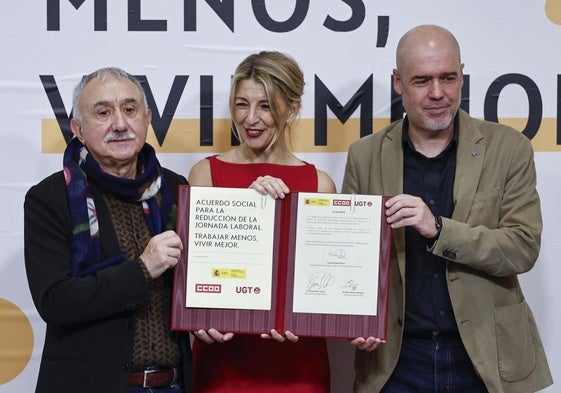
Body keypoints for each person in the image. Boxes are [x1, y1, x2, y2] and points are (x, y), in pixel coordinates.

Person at [343, 25, 553, 393]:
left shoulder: (509, 148)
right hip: (395, 363)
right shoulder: (365, 155)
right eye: (422, 81)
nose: (438, 93)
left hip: (486, 357)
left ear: (462, 76)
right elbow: (346, 257)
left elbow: (523, 247)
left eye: (448, 78)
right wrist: (354, 320)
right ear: (398, 83)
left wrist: (439, 229)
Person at [24, 67, 193, 393]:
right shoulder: (51, 198)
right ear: (78, 129)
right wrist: (142, 269)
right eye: (103, 112)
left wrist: (212, 320)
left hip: (173, 384)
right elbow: (55, 301)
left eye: (129, 110)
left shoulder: (174, 188)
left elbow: (195, 283)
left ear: (146, 119)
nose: (119, 123)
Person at [188, 51, 335, 393]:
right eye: (242, 104)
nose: (251, 119)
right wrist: (247, 206)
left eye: (266, 106)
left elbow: (323, 279)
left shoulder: (320, 184)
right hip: (224, 363)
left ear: (293, 108)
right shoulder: (206, 174)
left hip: (299, 364)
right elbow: (196, 275)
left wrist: (315, 316)